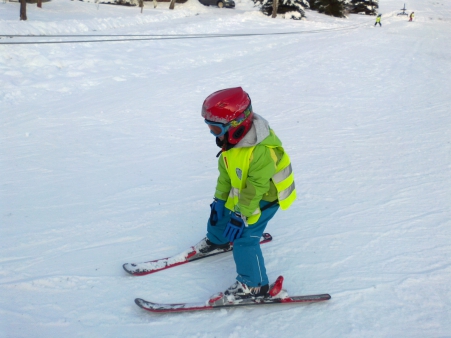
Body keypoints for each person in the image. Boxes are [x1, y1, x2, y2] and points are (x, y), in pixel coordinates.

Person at [196, 87, 296, 302]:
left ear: (235, 125)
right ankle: (218, 240)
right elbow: (226, 175)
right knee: (220, 214)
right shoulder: (230, 142)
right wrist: (219, 200)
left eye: (215, 128)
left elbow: (255, 188)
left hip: (266, 197)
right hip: (246, 192)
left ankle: (254, 285)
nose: (213, 134)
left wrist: (241, 215)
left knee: (244, 238)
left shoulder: (262, 151)